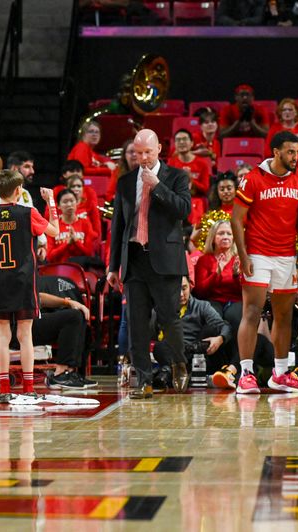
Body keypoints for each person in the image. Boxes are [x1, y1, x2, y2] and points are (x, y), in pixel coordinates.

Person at [107, 129, 191, 399]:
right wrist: (112, 266)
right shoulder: (125, 181)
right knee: (137, 323)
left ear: (158, 151)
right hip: (134, 257)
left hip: (165, 261)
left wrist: (158, 186)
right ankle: (144, 380)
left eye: (147, 153)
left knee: (169, 320)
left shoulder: (177, 176)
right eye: (137, 153)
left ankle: (179, 363)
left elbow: (184, 211)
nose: (142, 158)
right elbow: (118, 226)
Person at [231, 131, 298, 394]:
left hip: (287, 255)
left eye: (296, 152)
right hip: (257, 254)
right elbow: (236, 219)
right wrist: (243, 256)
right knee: (252, 312)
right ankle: (245, 373)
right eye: (290, 152)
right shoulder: (253, 179)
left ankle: (280, 374)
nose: (295, 157)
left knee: (284, 315)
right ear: (276, 152)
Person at [0, 170, 59, 404]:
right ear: (19, 190)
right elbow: (55, 231)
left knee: (2, 335)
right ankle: (29, 387)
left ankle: (3, 390)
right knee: (25, 334)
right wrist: (50, 201)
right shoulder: (28, 213)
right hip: (23, 281)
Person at [152, 276, 232, 387]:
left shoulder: (202, 306)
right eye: (176, 289)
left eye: (184, 288)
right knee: (159, 347)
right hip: (173, 353)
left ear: (190, 286)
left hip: (197, 354)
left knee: (211, 330)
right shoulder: (160, 310)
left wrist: (220, 338)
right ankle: (179, 371)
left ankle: (168, 372)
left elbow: (225, 326)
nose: (180, 294)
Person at [193, 220, 243, 378]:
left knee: (235, 318)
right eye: (221, 233)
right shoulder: (204, 260)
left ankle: (235, 369)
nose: (225, 236)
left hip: (235, 300)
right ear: (213, 238)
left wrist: (236, 277)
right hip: (212, 300)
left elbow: (244, 291)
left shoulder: (239, 259)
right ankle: (213, 369)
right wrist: (216, 274)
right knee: (214, 322)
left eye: (229, 233)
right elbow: (200, 291)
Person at [168, 128, 212, 225]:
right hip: (177, 199)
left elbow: (205, 189)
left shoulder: (202, 163)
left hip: (196, 199)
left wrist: (190, 179)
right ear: (174, 144)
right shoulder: (171, 163)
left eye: (185, 139)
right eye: (178, 140)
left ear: (192, 143)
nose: (182, 142)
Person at [46, 188, 97, 263]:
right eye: (65, 202)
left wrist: (76, 241)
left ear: (77, 203)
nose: (69, 204)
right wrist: (67, 244)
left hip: (81, 268)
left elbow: (89, 253)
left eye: (72, 201)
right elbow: (49, 257)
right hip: (58, 269)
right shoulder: (53, 226)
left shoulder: (85, 223)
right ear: (58, 206)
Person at [106, 138, 138, 203]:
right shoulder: (117, 172)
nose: (134, 154)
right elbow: (109, 195)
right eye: (131, 152)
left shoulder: (147, 171)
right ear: (124, 156)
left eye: (137, 151)